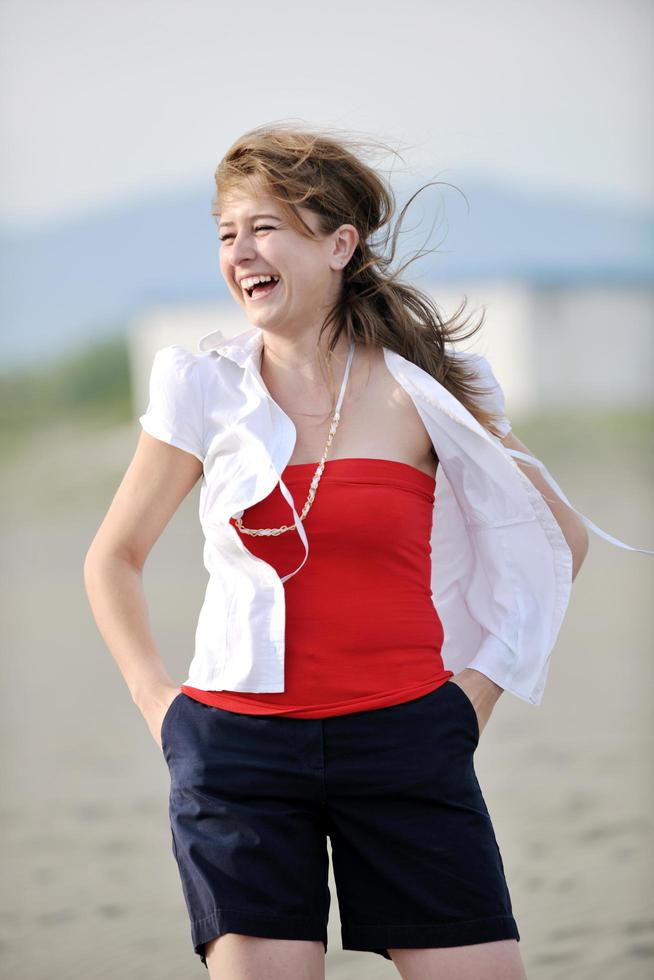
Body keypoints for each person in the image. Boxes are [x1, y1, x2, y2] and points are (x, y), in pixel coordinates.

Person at [84, 122, 652, 980]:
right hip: (239, 755)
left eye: (265, 226)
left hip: (408, 741)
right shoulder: (202, 387)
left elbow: (555, 540)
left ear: (340, 243)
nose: (241, 251)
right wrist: (164, 711)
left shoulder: (433, 386)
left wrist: (473, 699)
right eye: (226, 233)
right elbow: (113, 557)